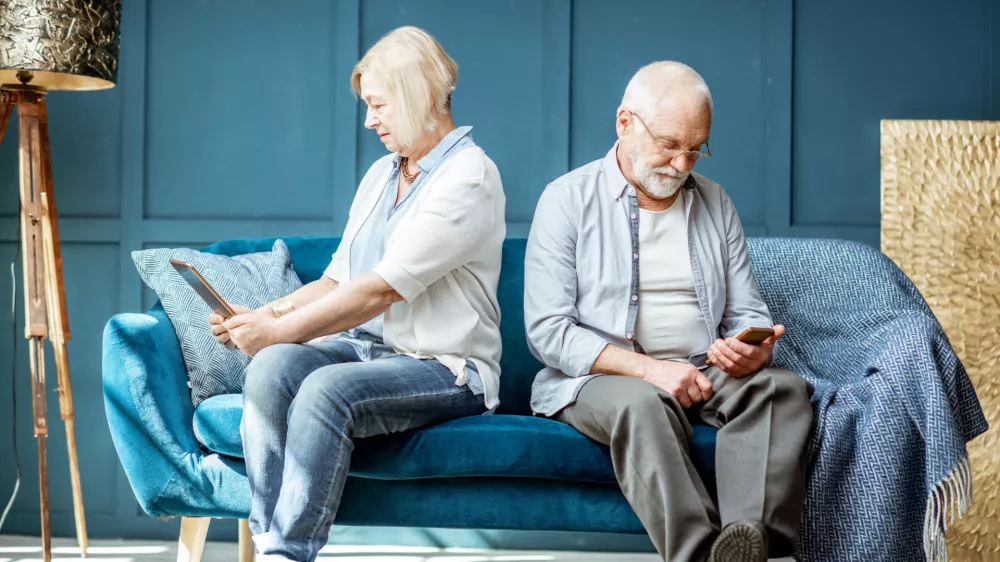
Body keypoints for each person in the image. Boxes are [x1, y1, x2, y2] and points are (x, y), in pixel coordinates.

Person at [209, 26, 506, 562]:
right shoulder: (381, 174)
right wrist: (262, 319)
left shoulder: (469, 177)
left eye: (378, 105)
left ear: (417, 94)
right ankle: (265, 544)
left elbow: (379, 290)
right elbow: (337, 279)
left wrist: (276, 330)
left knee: (326, 389)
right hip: (365, 352)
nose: (369, 120)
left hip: (445, 368)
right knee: (271, 367)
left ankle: (288, 553)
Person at [523, 61, 813, 562]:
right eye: (669, 145)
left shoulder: (715, 202)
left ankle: (747, 544)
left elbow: (746, 310)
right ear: (624, 123)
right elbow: (549, 332)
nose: (682, 165)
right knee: (643, 404)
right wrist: (651, 370)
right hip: (602, 379)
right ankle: (701, 554)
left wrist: (751, 350)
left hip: (702, 370)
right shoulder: (566, 200)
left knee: (780, 388)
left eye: (695, 149)